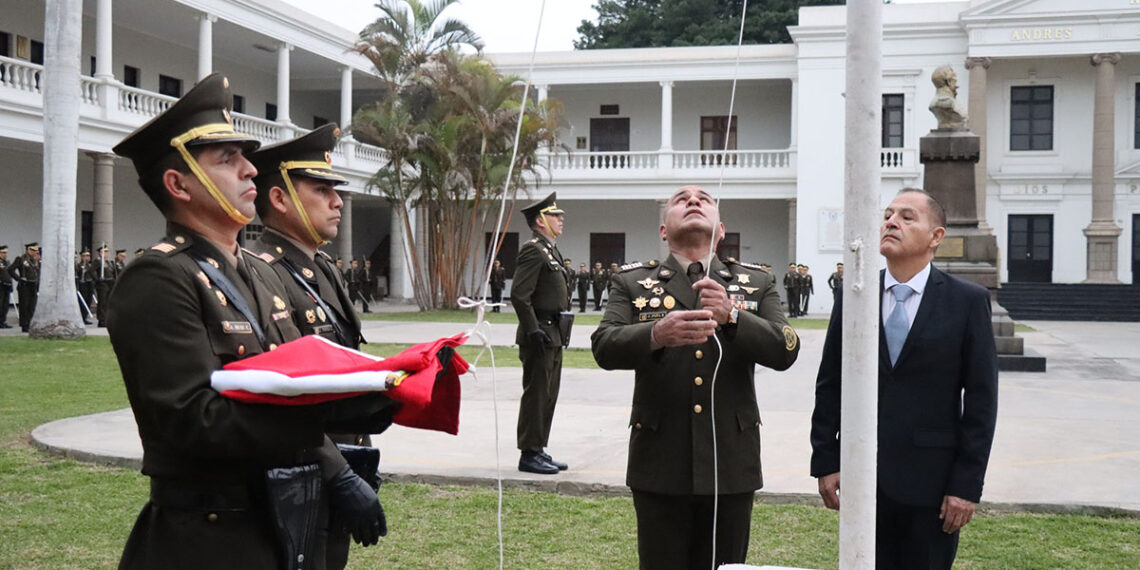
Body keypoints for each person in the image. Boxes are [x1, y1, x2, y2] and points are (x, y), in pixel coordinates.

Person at [108, 73, 387, 569]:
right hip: (211, 537)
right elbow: (194, 421)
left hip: (284, 520)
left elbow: (298, 378)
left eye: (245, 157)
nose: (250, 170)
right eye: (227, 159)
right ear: (178, 184)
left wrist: (386, 393)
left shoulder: (258, 271)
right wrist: (321, 420)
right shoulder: (159, 277)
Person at [592, 185, 800, 569]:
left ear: (721, 230)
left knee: (725, 567)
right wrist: (655, 334)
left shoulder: (756, 282)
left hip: (730, 462)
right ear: (663, 231)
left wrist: (733, 315)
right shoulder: (632, 282)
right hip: (659, 461)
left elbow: (786, 349)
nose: (692, 201)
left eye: (704, 198)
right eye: (681, 199)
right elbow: (603, 346)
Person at [810, 188, 998, 570]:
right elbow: (830, 382)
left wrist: (966, 485)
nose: (891, 222)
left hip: (932, 486)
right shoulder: (855, 295)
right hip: (863, 480)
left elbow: (981, 402)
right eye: (888, 215)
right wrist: (826, 459)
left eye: (907, 217)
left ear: (936, 236)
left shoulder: (966, 302)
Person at [246, 123, 396, 570]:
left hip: (340, 456)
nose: (337, 201)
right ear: (279, 198)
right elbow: (284, 394)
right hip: (301, 465)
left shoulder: (322, 267)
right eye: (322, 190)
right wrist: (338, 472)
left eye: (336, 190)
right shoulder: (262, 272)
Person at [511, 192, 570, 475]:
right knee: (536, 394)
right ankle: (528, 453)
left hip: (554, 333)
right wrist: (532, 329)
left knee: (548, 394)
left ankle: (539, 448)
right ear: (539, 221)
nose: (560, 220)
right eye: (555, 216)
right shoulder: (533, 250)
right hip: (540, 333)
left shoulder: (550, 250)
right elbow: (520, 295)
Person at [9, 242, 40, 332]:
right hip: (25, 285)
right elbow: (10, 270)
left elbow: (36, 272)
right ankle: (24, 325)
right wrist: (19, 279)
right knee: (24, 306)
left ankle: (30, 323)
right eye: (32, 250)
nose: (34, 252)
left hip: (33, 285)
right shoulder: (21, 259)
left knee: (32, 306)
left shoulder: (35, 260)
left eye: (35, 250)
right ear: (27, 250)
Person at [94, 245, 117, 327]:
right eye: (105, 252)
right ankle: (101, 320)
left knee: (107, 302)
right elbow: (91, 271)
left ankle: (106, 318)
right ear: (100, 253)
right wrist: (97, 279)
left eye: (107, 252)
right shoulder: (98, 261)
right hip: (102, 284)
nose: (106, 253)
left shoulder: (108, 262)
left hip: (110, 283)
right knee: (102, 302)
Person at [76, 250, 96, 324]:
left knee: (88, 301)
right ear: (82, 257)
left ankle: (85, 316)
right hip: (83, 285)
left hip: (89, 284)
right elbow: (78, 274)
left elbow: (93, 275)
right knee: (83, 302)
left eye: (88, 256)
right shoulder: (79, 265)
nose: (88, 257)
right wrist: (82, 271)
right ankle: (82, 317)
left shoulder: (90, 265)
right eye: (86, 256)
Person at [0, 245, 11, 328]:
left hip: (7, 286)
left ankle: (3, 321)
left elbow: (9, 274)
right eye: (3, 252)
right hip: (0, 285)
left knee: (5, 305)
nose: (5, 254)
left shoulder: (7, 262)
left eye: (6, 253)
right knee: (0, 304)